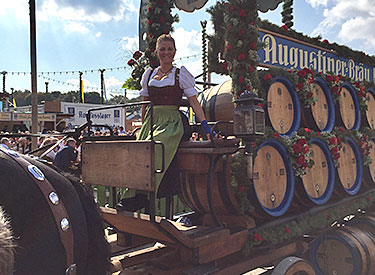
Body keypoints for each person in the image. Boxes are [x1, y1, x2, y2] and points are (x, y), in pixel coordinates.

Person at [117, 34, 215, 213]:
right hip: (152, 120)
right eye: (162, 49)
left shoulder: (180, 73)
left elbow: (194, 102)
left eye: (169, 49)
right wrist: (142, 126)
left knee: (157, 145)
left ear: (175, 52)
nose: (166, 53)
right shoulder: (149, 74)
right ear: (156, 52)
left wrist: (205, 127)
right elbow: (145, 104)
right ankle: (133, 195)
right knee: (139, 150)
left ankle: (145, 194)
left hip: (172, 121)